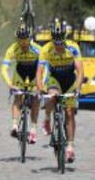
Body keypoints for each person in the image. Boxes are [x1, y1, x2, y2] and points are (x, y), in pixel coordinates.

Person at [36, 18, 84, 163]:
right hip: (54, 78)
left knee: (69, 112)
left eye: (60, 43)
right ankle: (46, 119)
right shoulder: (46, 49)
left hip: (69, 79)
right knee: (52, 95)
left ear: (65, 40)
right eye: (55, 43)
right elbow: (39, 72)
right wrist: (40, 89)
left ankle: (70, 146)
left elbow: (80, 71)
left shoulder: (73, 47)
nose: (58, 46)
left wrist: (78, 88)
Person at [0, 22, 41, 144]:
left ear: (30, 40)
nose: (23, 45)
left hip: (34, 73)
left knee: (35, 99)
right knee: (17, 96)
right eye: (20, 42)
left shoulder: (38, 49)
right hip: (20, 73)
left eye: (25, 43)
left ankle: (33, 129)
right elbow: (4, 69)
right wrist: (10, 84)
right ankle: (14, 125)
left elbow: (46, 68)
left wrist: (40, 85)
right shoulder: (12, 48)